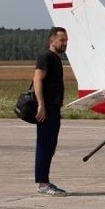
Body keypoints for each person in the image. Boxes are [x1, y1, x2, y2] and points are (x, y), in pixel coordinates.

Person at [33, 26, 69, 196]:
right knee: (45, 145)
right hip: (47, 109)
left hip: (53, 108)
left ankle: (44, 180)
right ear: (52, 40)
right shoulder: (46, 56)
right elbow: (37, 79)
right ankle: (43, 183)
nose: (65, 43)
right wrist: (41, 104)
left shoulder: (55, 58)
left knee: (50, 145)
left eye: (66, 40)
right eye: (62, 40)